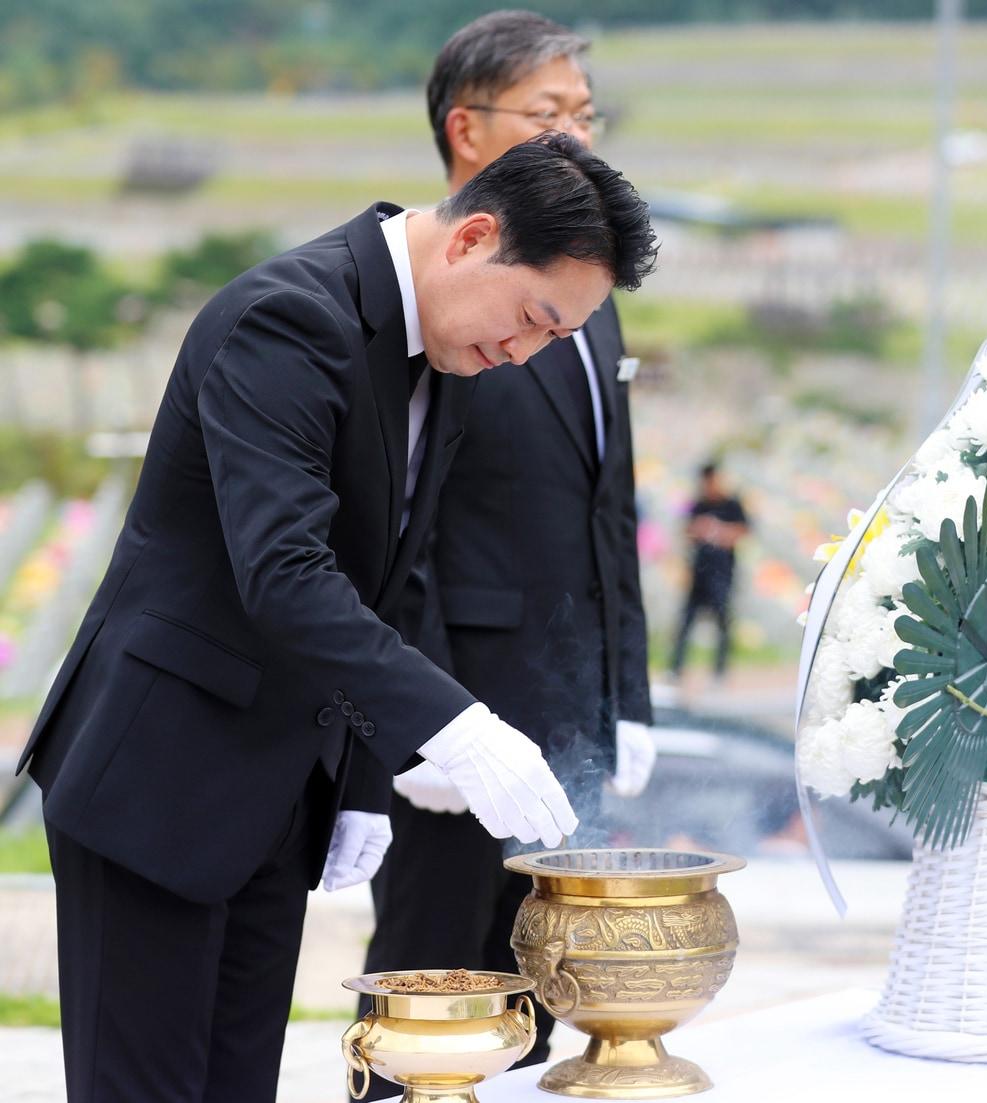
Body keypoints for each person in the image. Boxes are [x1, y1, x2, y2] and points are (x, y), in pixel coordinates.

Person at [16, 133, 657, 1102]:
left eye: (552, 339)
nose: (523, 352)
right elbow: (286, 570)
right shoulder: (289, 317)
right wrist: (458, 724)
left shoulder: (435, 356)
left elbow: (383, 578)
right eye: (530, 317)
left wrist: (362, 776)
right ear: (473, 236)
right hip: (160, 779)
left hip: (275, 791)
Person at [359, 12, 657, 1085]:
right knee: (431, 971)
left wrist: (628, 697)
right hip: (459, 698)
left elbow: (605, 513)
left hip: (563, 693)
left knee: (533, 970)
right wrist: (423, 725)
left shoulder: (590, 297)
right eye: (549, 114)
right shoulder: (437, 299)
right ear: (466, 130)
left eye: (586, 113)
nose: (578, 135)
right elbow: (400, 525)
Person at [669, 461, 749, 683]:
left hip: (722, 573)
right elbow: (686, 530)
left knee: (723, 622)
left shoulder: (732, 504)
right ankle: (676, 668)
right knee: (686, 622)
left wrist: (719, 531)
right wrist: (700, 529)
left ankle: (720, 671)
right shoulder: (698, 504)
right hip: (699, 572)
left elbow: (742, 531)